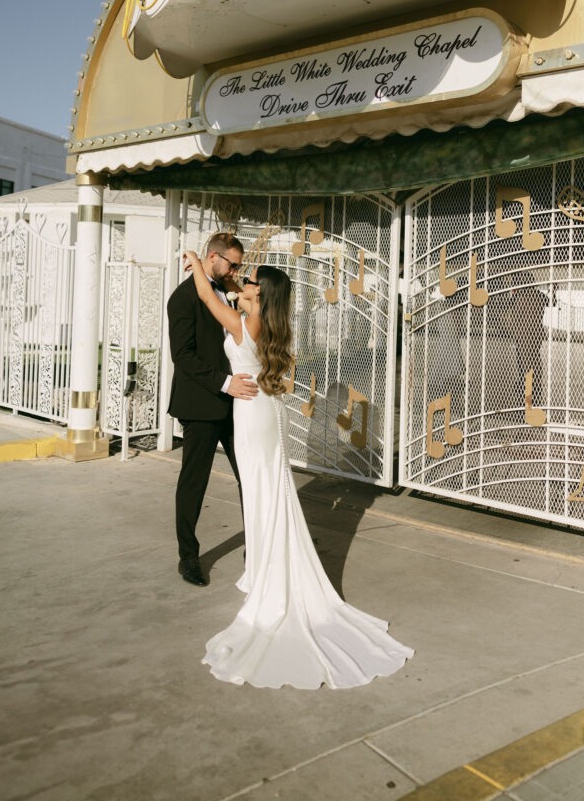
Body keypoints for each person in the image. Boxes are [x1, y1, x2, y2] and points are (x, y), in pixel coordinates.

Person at [183, 248, 414, 690]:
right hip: (265, 412)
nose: (242, 285)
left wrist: (198, 264)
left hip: (251, 416)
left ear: (261, 296)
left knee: (260, 492)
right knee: (269, 490)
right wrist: (235, 280)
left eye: (249, 283)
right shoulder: (269, 324)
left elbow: (211, 301)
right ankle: (263, 568)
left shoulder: (245, 323)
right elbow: (234, 293)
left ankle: (269, 576)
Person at [167, 232, 258, 588]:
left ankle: (261, 543)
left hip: (235, 403)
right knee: (194, 482)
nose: (235, 270)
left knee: (249, 476)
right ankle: (188, 556)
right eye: (231, 263)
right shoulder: (183, 297)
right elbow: (183, 357)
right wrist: (225, 383)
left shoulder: (224, 289)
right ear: (213, 257)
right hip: (202, 402)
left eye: (238, 264)